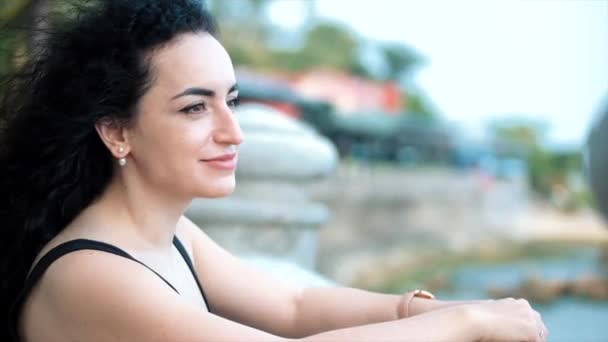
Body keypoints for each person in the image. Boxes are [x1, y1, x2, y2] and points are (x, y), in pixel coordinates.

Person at [0, 1, 548, 341]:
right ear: (116, 131)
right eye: (195, 107)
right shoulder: (91, 275)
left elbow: (296, 306)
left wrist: (445, 306)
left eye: (230, 101)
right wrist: (469, 324)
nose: (232, 131)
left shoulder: (169, 235)